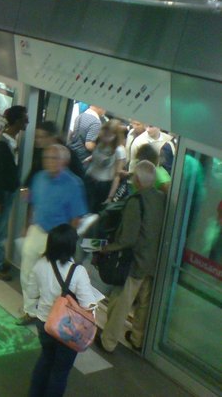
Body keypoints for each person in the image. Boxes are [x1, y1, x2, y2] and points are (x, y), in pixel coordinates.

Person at [96, 160, 166, 353]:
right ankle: (137, 339)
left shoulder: (136, 201)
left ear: (137, 179)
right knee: (144, 303)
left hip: (135, 262)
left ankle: (108, 341)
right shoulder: (161, 198)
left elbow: (128, 238)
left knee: (121, 303)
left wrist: (108, 248)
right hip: (153, 262)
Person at [26, 224, 102, 397]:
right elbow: (87, 304)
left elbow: (31, 293)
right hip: (68, 327)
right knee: (60, 371)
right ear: (70, 246)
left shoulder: (40, 265)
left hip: (45, 323)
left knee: (46, 359)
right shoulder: (78, 271)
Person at [20, 144, 88, 325]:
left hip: (57, 238)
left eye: (54, 158)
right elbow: (32, 203)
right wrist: (28, 225)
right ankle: (29, 311)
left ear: (64, 161)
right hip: (38, 230)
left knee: (52, 280)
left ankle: (51, 315)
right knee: (27, 272)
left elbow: (76, 218)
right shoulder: (39, 178)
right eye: (46, 158)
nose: (49, 162)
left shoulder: (73, 184)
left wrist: (68, 241)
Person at [0, 105, 28, 281]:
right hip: (1, 194)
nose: (28, 121)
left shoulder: (7, 141)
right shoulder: (2, 146)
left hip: (2, 193)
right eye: (25, 118)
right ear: (17, 121)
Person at [83, 120, 127, 213]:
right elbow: (98, 156)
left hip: (102, 185)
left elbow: (117, 175)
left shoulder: (119, 150)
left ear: (115, 136)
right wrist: (89, 159)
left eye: (109, 135)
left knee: (93, 212)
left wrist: (110, 197)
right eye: (104, 133)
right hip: (90, 179)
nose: (105, 137)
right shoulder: (101, 144)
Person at [23, 121, 84, 188]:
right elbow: (34, 172)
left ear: (52, 137)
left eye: (41, 137)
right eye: (36, 137)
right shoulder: (41, 152)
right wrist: (25, 188)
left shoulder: (68, 154)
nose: (37, 140)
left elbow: (79, 176)